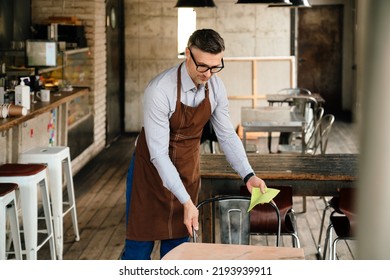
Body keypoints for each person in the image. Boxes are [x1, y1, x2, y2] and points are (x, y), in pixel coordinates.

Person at [121, 29, 267, 260]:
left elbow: (227, 135)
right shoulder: (160, 90)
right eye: (203, 66)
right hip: (149, 175)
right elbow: (158, 154)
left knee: (178, 251)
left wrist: (248, 175)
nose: (209, 74)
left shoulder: (216, 88)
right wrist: (187, 201)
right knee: (137, 253)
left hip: (187, 170)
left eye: (215, 66)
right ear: (187, 54)